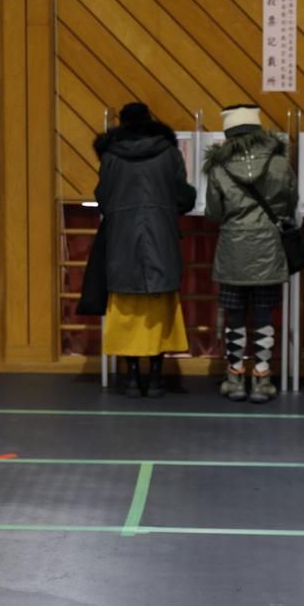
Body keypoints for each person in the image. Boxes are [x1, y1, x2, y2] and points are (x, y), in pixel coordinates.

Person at [93, 102, 196, 397]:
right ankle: (155, 378)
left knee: (126, 311)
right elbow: (184, 198)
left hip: (121, 243)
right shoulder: (168, 153)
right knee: (158, 311)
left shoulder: (111, 157)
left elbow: (102, 198)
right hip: (161, 240)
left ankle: (131, 377)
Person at [203, 104, 297, 403]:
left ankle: (234, 378)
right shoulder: (280, 163)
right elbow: (290, 202)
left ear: (229, 134)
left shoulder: (219, 167)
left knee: (234, 314)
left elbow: (214, 212)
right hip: (269, 246)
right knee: (264, 312)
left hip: (233, 246)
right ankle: (262, 378)